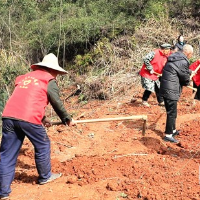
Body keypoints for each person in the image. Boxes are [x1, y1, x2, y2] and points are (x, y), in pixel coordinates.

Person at [0, 53, 75, 199]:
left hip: (8, 116)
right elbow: (56, 102)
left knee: (7, 155)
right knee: (43, 144)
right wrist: (67, 119)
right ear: (52, 69)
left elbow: (26, 99)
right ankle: (45, 176)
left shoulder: (25, 78)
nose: (57, 76)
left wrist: (43, 118)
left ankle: (3, 192)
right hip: (28, 118)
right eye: (57, 73)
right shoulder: (49, 79)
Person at [160, 44, 194, 143]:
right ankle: (168, 135)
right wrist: (188, 79)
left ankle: (173, 130)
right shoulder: (183, 61)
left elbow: (179, 70)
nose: (191, 56)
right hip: (171, 89)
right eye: (191, 54)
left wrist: (189, 71)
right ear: (188, 53)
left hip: (166, 87)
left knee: (172, 111)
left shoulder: (176, 58)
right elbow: (184, 77)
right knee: (172, 112)